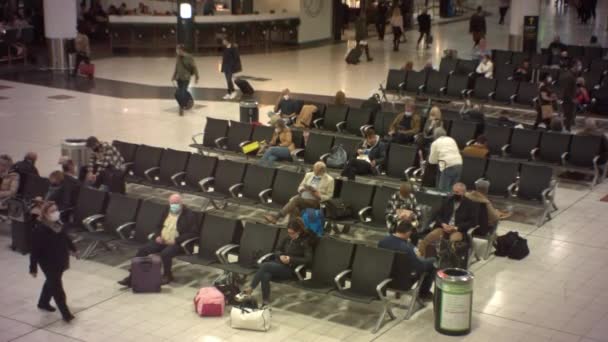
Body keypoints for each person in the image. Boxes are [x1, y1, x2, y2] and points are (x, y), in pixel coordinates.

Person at [118, 194, 197, 286]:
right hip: (162, 240)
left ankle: (167, 275)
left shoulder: (189, 215)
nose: (173, 206)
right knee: (143, 250)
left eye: (176, 203)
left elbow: (193, 233)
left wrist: (177, 240)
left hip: (177, 243)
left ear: (181, 203)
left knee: (165, 253)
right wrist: (158, 236)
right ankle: (132, 277)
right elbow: (158, 226)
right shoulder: (167, 210)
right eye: (172, 203)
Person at [236, 218, 313, 306]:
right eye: (289, 232)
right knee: (265, 275)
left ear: (298, 231)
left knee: (265, 266)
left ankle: (250, 289)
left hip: (290, 269)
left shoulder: (305, 242)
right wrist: (281, 256)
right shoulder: (287, 238)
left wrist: (290, 259)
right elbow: (277, 250)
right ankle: (265, 302)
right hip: (278, 265)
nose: (290, 235)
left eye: (292, 233)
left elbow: (308, 259)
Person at [29, 201, 77, 322]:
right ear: (45, 214)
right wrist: (33, 268)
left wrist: (73, 249)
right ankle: (66, 314)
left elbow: (65, 237)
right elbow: (34, 251)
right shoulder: (39, 230)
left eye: (56, 210)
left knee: (51, 281)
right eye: (52, 211)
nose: (56, 213)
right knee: (57, 287)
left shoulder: (58, 224)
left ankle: (43, 302)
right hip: (47, 262)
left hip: (60, 258)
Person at [417, 183, 478, 257]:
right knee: (427, 238)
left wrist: (456, 227)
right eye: (453, 191)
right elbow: (438, 215)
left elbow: (473, 222)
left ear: (463, 192)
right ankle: (420, 259)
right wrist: (443, 224)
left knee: (451, 243)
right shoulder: (448, 200)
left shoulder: (471, 204)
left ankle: (445, 262)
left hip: (458, 230)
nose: (454, 194)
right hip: (443, 228)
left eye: (457, 192)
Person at [378, 221, 435, 300]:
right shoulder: (406, 249)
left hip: (384, 280)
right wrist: (424, 260)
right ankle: (424, 293)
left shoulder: (382, 242)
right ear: (408, 233)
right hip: (402, 283)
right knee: (432, 262)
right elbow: (419, 267)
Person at [264, 162, 334, 224]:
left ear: (323, 171)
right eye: (314, 170)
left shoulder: (329, 180)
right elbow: (300, 187)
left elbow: (329, 196)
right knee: (295, 208)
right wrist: (302, 189)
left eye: (317, 171)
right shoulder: (309, 175)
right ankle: (293, 227)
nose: (315, 173)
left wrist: (318, 195)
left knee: (296, 199)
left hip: (315, 201)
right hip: (303, 198)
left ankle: (276, 217)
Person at [428, 127, 462, 193]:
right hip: (459, 164)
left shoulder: (435, 143)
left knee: (442, 192)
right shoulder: (451, 139)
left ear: (435, 135)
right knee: (453, 191)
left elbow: (431, 161)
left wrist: (438, 159)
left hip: (448, 166)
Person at [172, 44, 199, 115]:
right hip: (179, 78)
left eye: (178, 49)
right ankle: (188, 101)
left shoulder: (189, 57)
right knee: (178, 93)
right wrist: (173, 76)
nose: (176, 51)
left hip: (186, 78)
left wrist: (197, 77)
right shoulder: (178, 57)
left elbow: (194, 67)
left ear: (181, 50)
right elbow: (176, 67)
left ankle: (181, 107)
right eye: (176, 49)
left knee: (183, 92)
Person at [560, 62, 577, 131]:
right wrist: (572, 99)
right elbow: (566, 89)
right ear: (574, 66)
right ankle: (567, 131)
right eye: (578, 65)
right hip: (568, 100)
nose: (579, 67)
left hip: (567, 99)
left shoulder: (568, 75)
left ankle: (567, 129)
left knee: (568, 116)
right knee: (568, 116)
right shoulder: (569, 76)